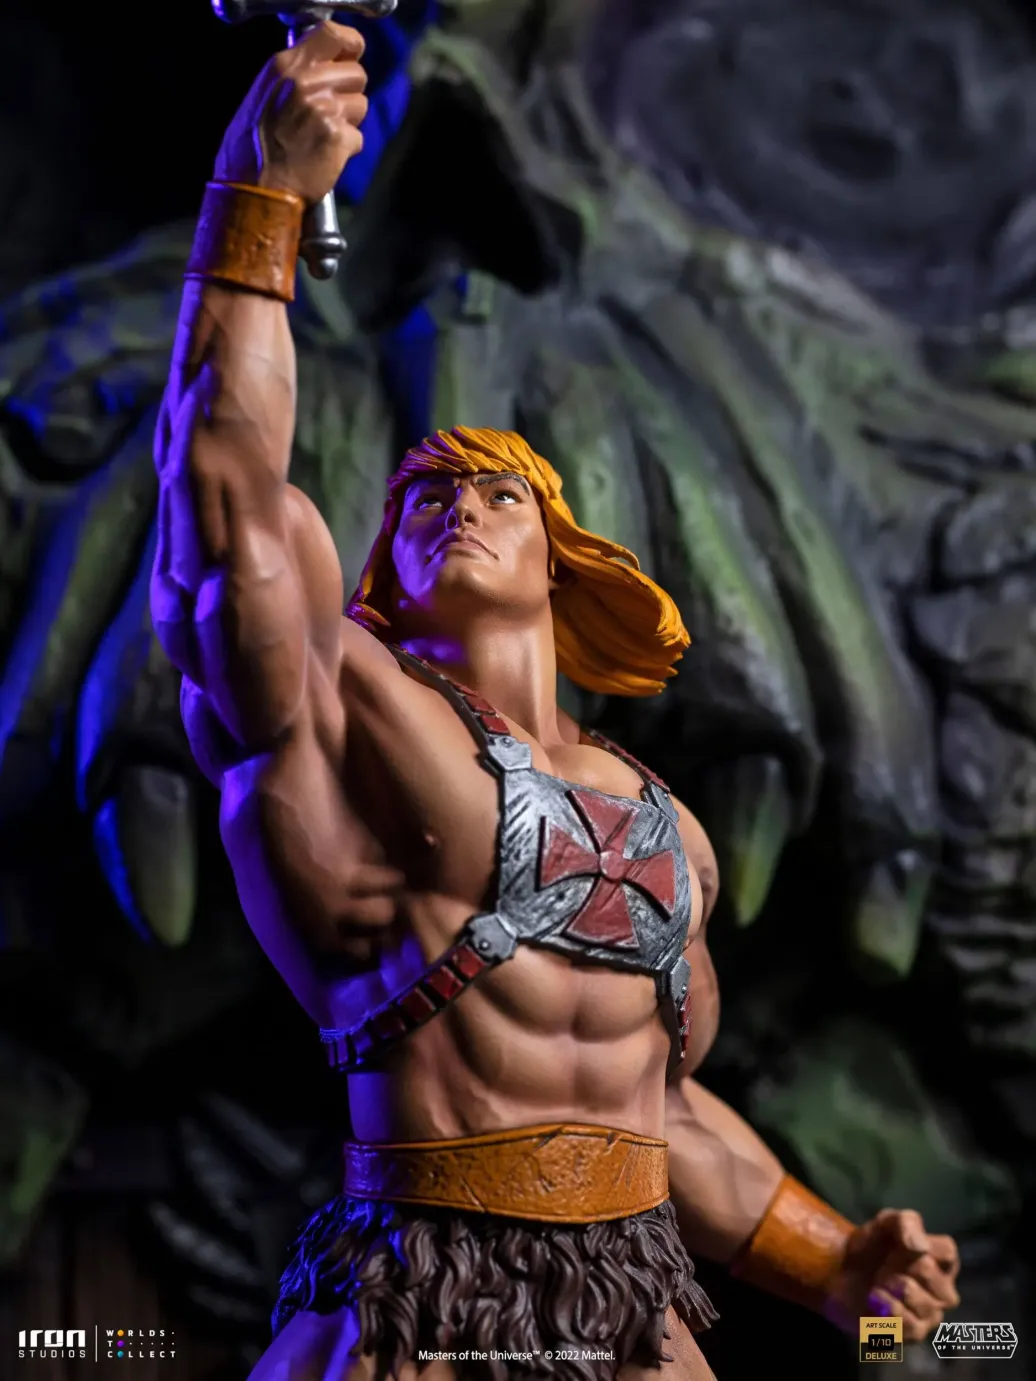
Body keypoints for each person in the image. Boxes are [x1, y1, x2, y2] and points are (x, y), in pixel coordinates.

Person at [151, 21, 962, 1380]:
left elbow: (664, 1110)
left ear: (558, 555)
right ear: (382, 568)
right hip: (418, 1298)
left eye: (498, 492)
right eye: (423, 498)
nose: (459, 507)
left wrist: (835, 1266)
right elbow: (223, 499)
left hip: (634, 1304)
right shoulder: (346, 716)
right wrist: (261, 198)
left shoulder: (668, 827)